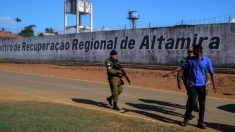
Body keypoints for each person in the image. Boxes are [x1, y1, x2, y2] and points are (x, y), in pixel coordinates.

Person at [164, 44, 216, 129]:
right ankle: (186, 119)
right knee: (191, 103)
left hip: (202, 86)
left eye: (194, 51)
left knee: (202, 105)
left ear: (199, 51)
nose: (192, 53)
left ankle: (200, 122)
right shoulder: (190, 60)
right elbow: (180, 68)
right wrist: (170, 73)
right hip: (193, 86)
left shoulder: (207, 60)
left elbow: (212, 73)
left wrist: (214, 85)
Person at [177, 47, 199, 116]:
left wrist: (206, 79)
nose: (190, 53)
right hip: (187, 79)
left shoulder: (196, 60)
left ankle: (193, 106)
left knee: (194, 94)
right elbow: (180, 71)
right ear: (187, 52)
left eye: (192, 52)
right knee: (191, 95)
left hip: (195, 80)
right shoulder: (184, 60)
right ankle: (189, 111)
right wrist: (179, 81)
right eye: (189, 52)